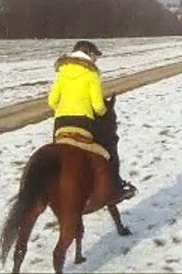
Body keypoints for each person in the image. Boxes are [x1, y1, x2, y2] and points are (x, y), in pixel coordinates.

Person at [47, 40, 137, 203]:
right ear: (89, 53)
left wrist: (65, 109)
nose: (95, 60)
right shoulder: (91, 73)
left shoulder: (61, 71)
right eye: (95, 56)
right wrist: (102, 111)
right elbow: (97, 107)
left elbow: (52, 101)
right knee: (110, 147)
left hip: (60, 122)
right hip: (83, 121)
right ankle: (117, 188)